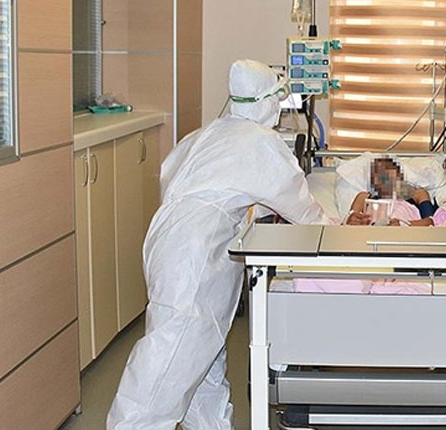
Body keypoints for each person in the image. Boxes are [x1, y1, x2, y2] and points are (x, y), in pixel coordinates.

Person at [106, 59, 330, 430]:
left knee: (202, 356)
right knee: (168, 361)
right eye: (277, 100)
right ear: (266, 100)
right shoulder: (260, 142)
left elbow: (194, 185)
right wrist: (335, 231)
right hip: (194, 254)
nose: (279, 109)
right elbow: (303, 210)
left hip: (167, 239)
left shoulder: (206, 134)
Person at [344, 157, 440, 226]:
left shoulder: (417, 194)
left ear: (400, 176)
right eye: (376, 174)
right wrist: (352, 220)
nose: (382, 176)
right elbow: (348, 223)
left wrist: (404, 225)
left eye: (387, 169)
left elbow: (430, 222)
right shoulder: (363, 197)